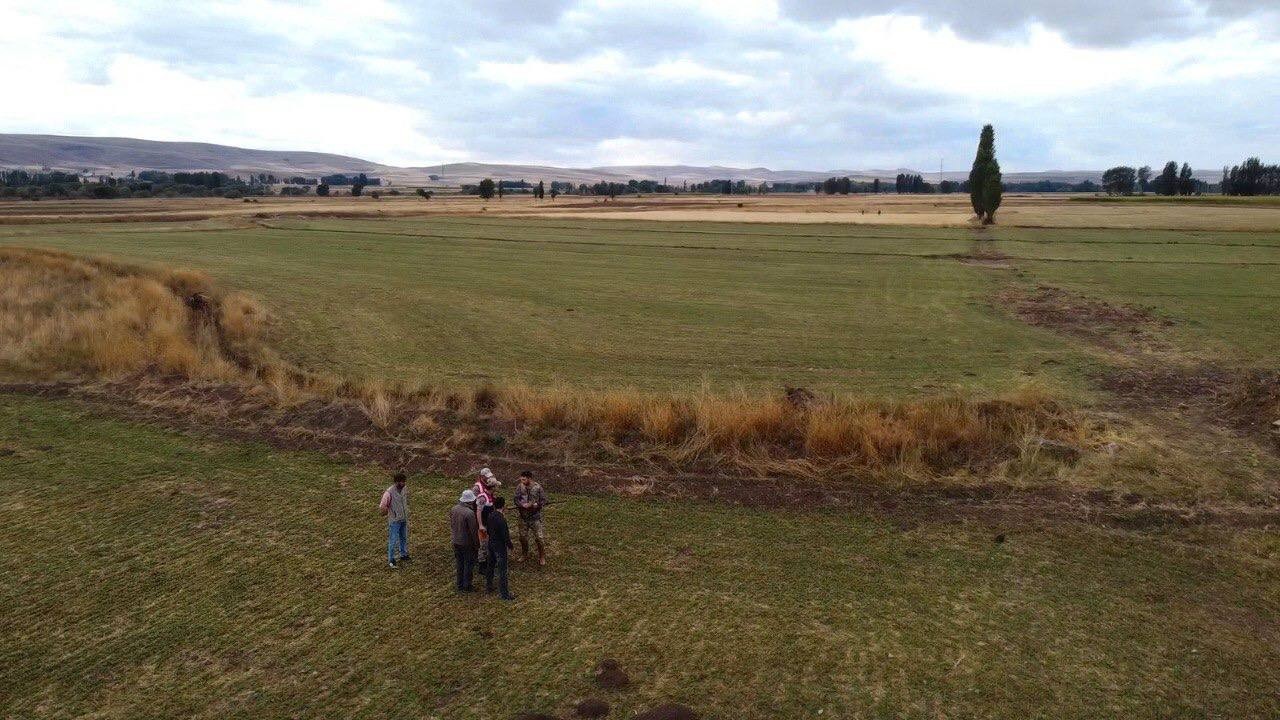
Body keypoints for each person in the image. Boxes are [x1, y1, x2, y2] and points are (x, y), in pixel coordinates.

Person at [513, 470, 548, 566]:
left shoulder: (538, 487)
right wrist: (521, 505)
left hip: (535, 517)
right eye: (521, 479)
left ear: (529, 478)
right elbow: (515, 499)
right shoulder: (520, 487)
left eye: (524, 479)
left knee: (539, 538)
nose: (522, 481)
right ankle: (524, 554)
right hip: (523, 517)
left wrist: (538, 505)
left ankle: (542, 556)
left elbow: (544, 500)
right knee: (522, 537)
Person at [482, 496, 515, 600]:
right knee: (502, 570)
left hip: (490, 543)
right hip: (499, 546)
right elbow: (505, 535)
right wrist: (510, 546)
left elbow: (488, 530)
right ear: (504, 506)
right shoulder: (501, 519)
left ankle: (489, 586)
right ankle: (504, 594)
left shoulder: (490, 515)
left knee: (490, 566)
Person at [449, 489, 479, 592]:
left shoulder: (453, 509)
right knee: (468, 564)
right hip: (467, 543)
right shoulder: (469, 513)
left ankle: (460, 584)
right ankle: (467, 585)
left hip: (455, 540)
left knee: (459, 563)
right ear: (470, 501)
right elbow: (473, 531)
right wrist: (477, 544)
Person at [471, 468, 501, 571]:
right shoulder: (478, 489)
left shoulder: (490, 493)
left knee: (490, 541)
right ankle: (482, 564)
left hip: (489, 522)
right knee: (483, 543)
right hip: (483, 522)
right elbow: (477, 508)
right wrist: (480, 525)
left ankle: (489, 558)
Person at [379, 471, 409, 569]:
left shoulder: (404, 489)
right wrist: (387, 512)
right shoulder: (388, 493)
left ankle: (403, 554)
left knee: (403, 538)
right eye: (402, 482)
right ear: (396, 482)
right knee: (393, 540)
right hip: (395, 521)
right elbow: (382, 506)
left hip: (403, 518)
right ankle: (391, 559)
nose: (404, 483)